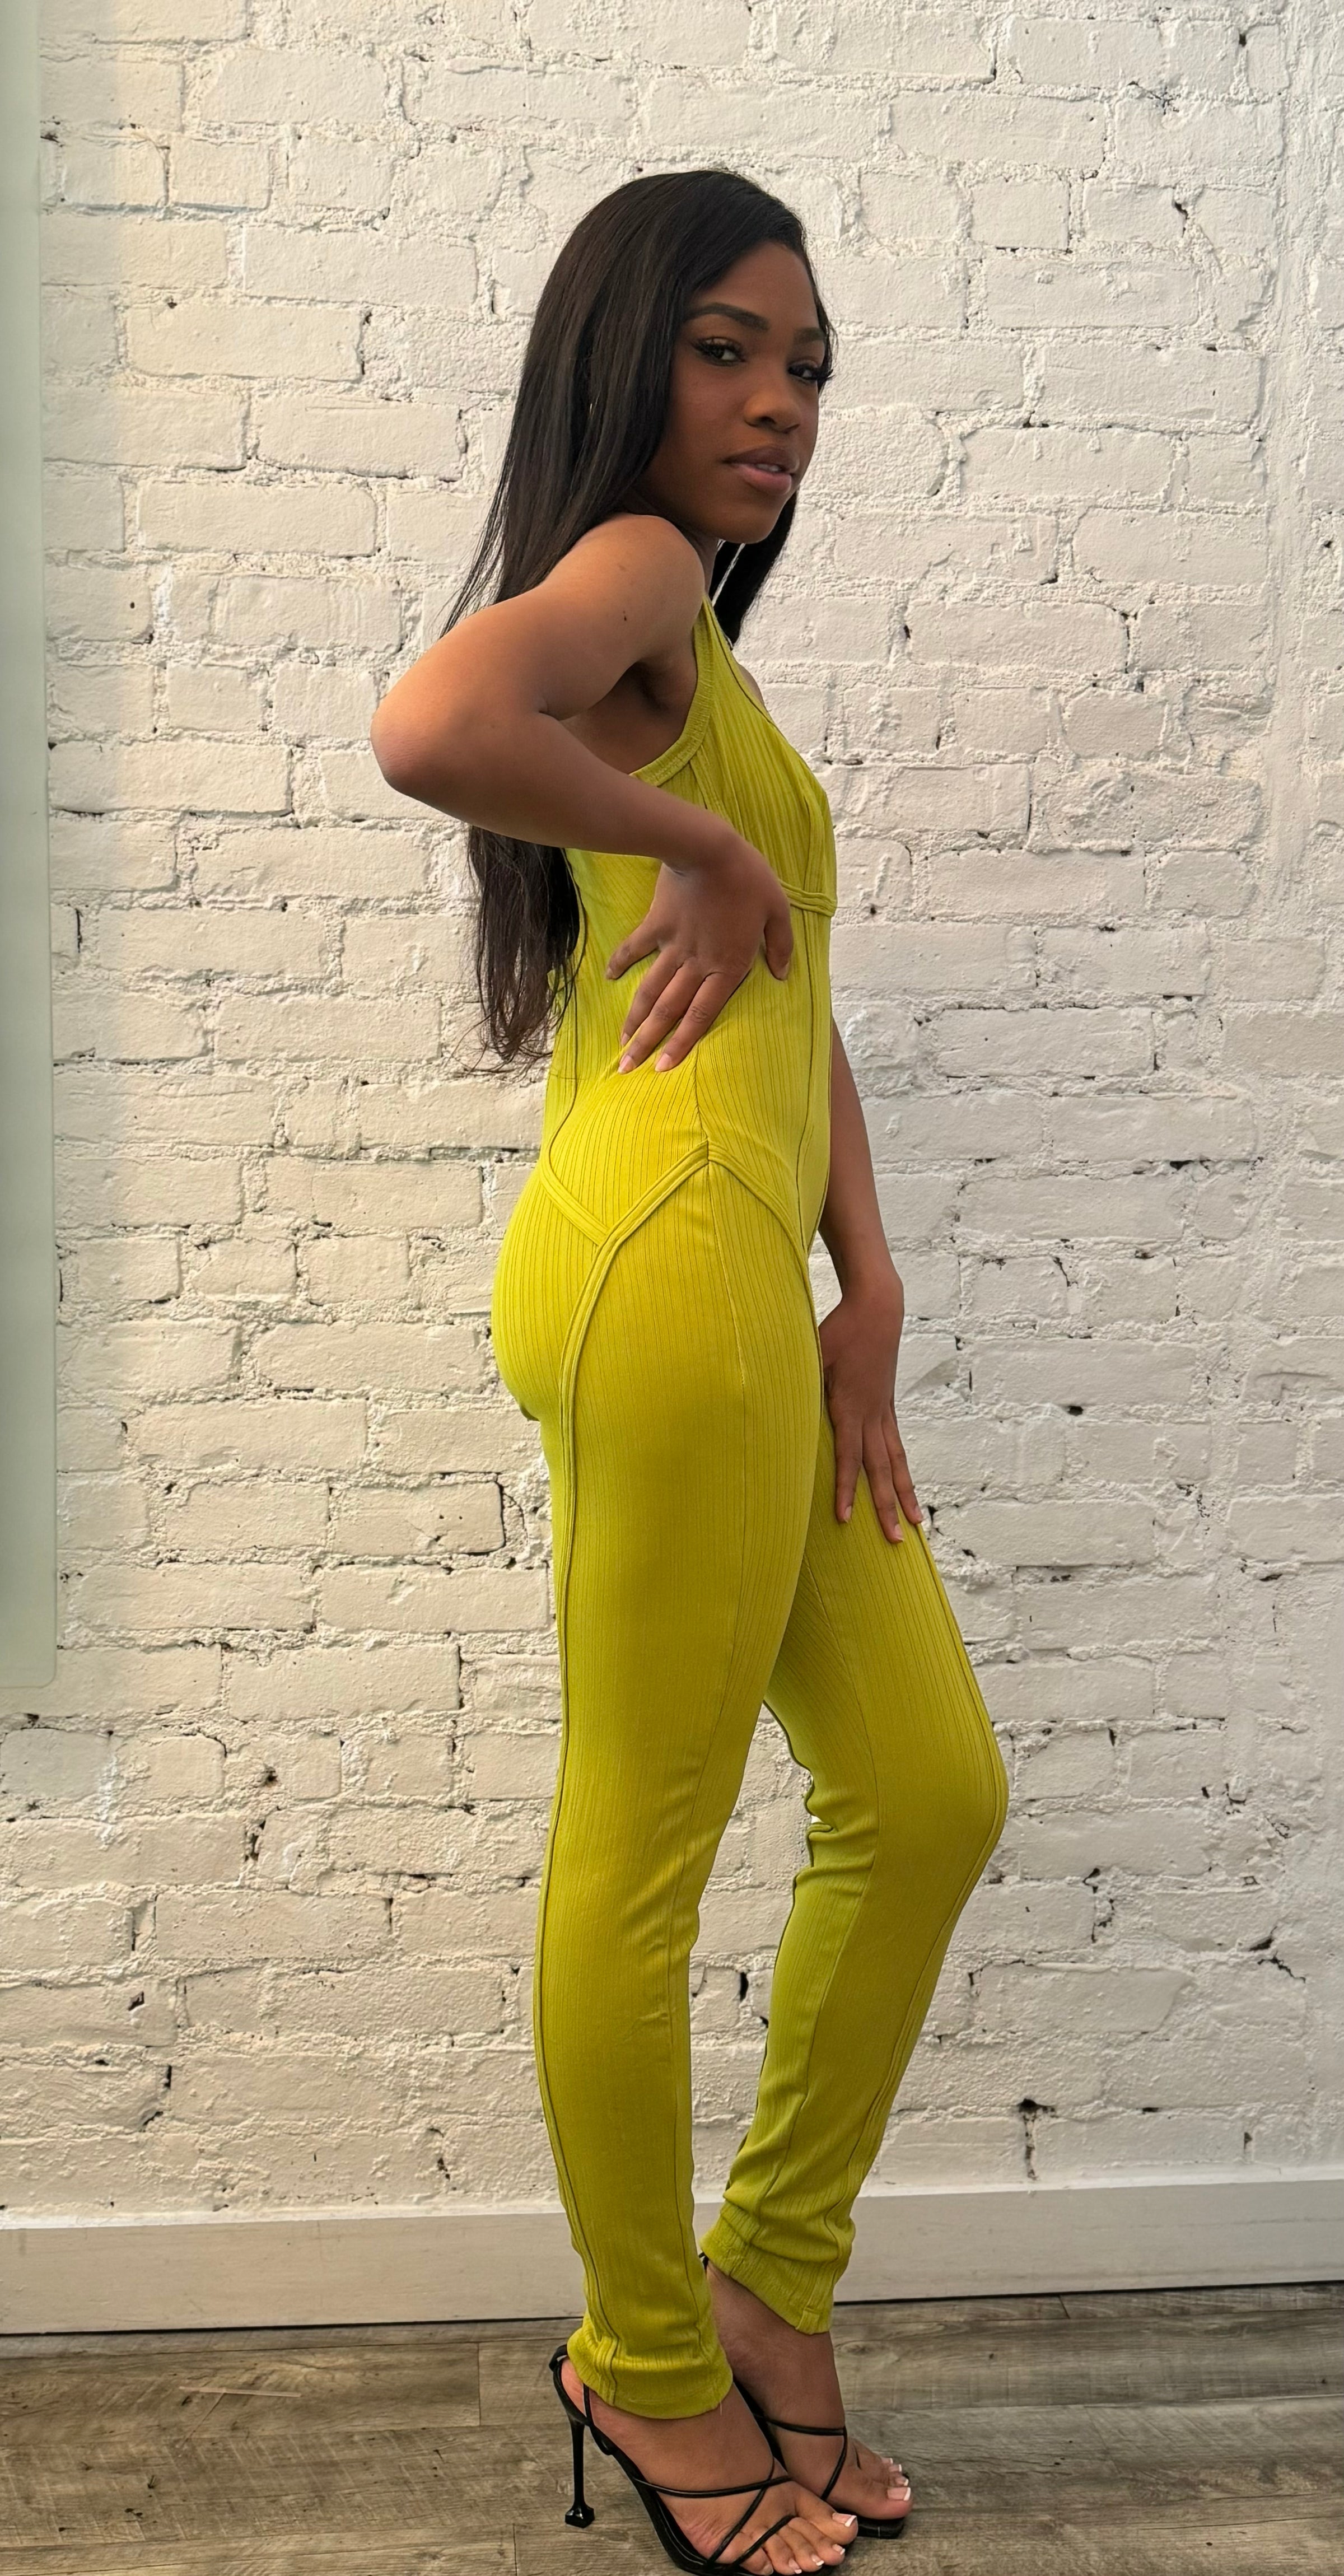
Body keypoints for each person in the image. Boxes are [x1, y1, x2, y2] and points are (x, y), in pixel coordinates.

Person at [370, 167, 1009, 2576]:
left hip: (753, 1277)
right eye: (730, 347)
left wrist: (877, 1285)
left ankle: (766, 2288)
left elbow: (787, 994)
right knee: (641, 1851)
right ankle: (646, 2363)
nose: (779, 401)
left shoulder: (704, 660)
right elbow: (432, 721)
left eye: (811, 365)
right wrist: (693, 851)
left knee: (927, 1790)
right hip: (658, 1267)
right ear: (626, 356)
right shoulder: (633, 570)